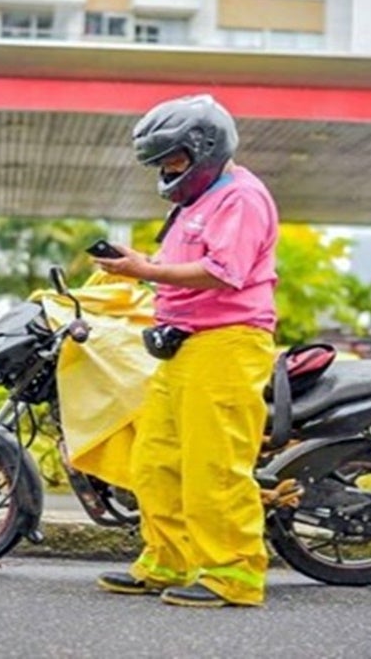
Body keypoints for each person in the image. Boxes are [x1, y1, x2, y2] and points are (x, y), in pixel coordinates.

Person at [90, 94, 279, 608]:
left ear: (205, 148)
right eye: (161, 161)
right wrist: (142, 265)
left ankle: (232, 574)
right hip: (182, 345)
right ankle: (167, 560)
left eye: (172, 158)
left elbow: (224, 272)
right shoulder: (196, 201)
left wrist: (145, 270)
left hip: (226, 344)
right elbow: (180, 269)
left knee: (213, 467)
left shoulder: (241, 196)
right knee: (155, 461)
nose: (166, 169)